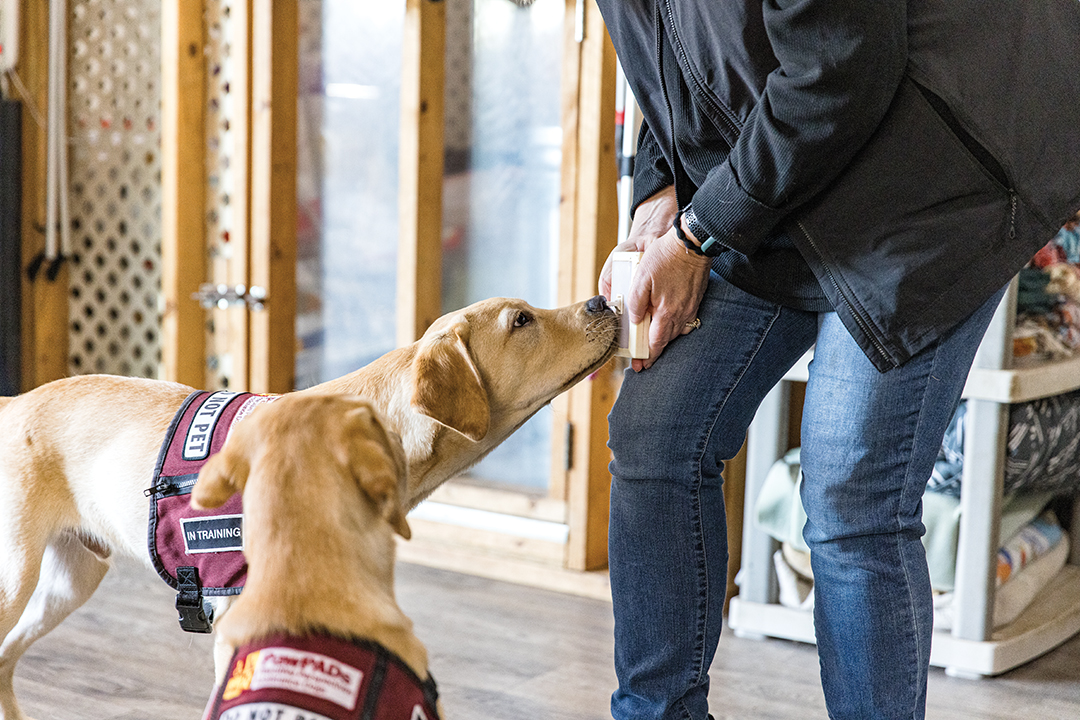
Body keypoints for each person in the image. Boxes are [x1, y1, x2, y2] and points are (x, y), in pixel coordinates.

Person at [593, 1, 1080, 719]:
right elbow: (668, 49)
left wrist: (699, 233)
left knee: (852, 495)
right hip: (787, 177)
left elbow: (842, 65)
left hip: (928, 179)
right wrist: (665, 187)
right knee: (655, 435)